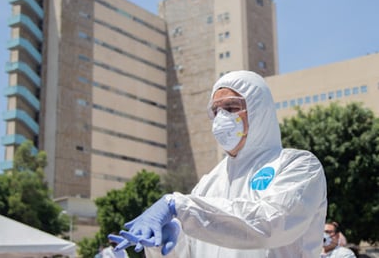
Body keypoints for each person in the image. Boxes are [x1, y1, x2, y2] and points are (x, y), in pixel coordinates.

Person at [109, 70, 328, 257]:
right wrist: (163, 246)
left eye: (231, 108)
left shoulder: (298, 165)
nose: (221, 118)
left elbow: (271, 224)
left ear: (259, 110)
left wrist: (179, 206)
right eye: (216, 111)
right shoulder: (208, 183)